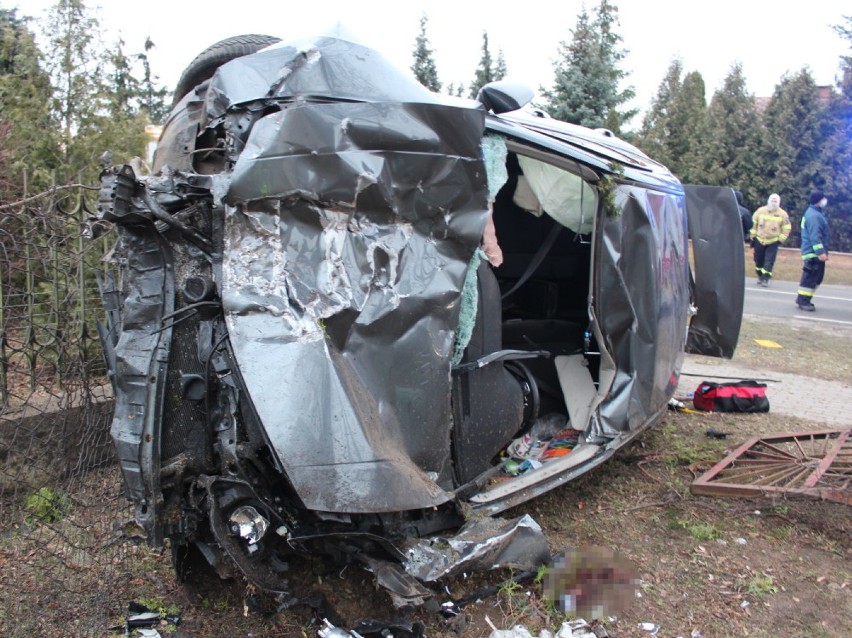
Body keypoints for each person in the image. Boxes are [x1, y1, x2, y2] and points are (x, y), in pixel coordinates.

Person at [795, 191, 830, 312]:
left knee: (816, 277)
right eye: (824, 199)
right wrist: (820, 252)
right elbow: (815, 236)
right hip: (813, 253)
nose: (825, 201)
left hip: (812, 252)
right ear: (818, 201)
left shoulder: (815, 213)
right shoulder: (814, 216)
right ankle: (803, 301)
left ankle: (804, 299)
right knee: (811, 277)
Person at [750, 193, 791, 286]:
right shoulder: (760, 211)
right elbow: (753, 223)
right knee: (758, 260)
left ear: (779, 202)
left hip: (773, 241)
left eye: (775, 201)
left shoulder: (783, 214)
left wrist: (781, 239)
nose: (774, 202)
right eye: (772, 200)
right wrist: (753, 236)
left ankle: (766, 279)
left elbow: (787, 227)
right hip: (760, 239)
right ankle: (759, 275)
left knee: (769, 261)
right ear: (768, 200)